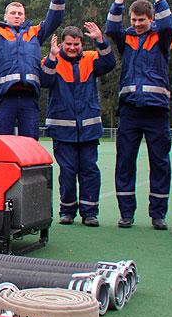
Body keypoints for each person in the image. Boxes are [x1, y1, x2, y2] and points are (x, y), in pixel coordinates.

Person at [105, 0, 172, 230]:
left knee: (160, 162)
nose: (136, 24)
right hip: (130, 110)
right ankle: (127, 214)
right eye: (133, 20)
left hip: (156, 111)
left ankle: (158, 214)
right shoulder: (127, 38)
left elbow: (169, 25)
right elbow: (111, 29)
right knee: (125, 161)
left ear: (151, 20)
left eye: (141, 20)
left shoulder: (162, 38)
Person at [40, 23, 116, 227]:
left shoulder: (91, 58)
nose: (72, 47)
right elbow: (44, 81)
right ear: (62, 44)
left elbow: (109, 63)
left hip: (89, 129)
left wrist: (101, 39)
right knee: (67, 171)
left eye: (76, 44)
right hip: (62, 130)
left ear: (82, 44)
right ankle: (67, 211)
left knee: (89, 170)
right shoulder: (52, 61)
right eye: (68, 44)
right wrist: (52, 56)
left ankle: (90, 212)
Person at [0, 0, 67, 138]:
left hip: (29, 97)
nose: (16, 16)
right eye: (13, 13)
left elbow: (54, 19)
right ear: (5, 16)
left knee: (30, 141)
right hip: (6, 96)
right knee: (2, 142)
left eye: (20, 14)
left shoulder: (34, 32)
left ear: (24, 17)